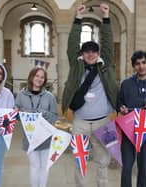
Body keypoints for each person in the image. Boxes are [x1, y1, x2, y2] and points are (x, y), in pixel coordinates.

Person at [61, 3, 118, 187]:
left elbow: (108, 43)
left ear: (98, 53)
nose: (91, 54)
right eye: (87, 51)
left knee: (103, 160)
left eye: (94, 51)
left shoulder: (105, 65)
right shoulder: (76, 64)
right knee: (80, 159)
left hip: (104, 122)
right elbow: (71, 43)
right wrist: (77, 18)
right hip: (80, 123)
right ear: (82, 53)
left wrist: (106, 17)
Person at [117, 50, 146, 187]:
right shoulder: (126, 84)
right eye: (137, 64)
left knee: (143, 170)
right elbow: (119, 102)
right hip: (128, 131)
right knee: (126, 169)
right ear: (134, 66)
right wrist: (121, 108)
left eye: (144, 62)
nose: (141, 66)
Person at [15, 67, 58, 187]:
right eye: (37, 76)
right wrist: (18, 113)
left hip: (46, 137)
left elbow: (55, 116)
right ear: (31, 77)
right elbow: (16, 117)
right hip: (29, 137)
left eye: (42, 77)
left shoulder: (49, 96)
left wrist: (42, 113)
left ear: (44, 80)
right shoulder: (21, 95)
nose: (39, 79)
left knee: (44, 166)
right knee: (34, 166)